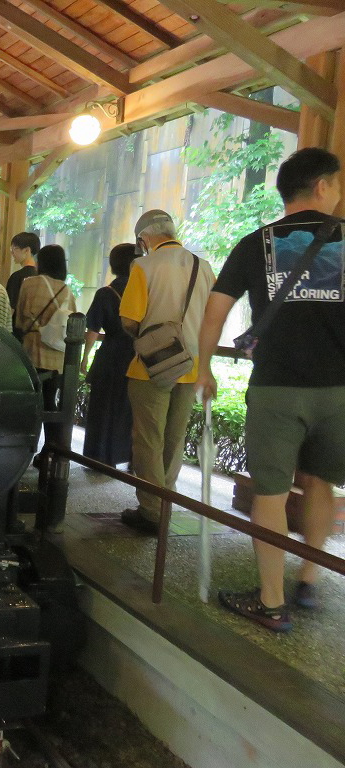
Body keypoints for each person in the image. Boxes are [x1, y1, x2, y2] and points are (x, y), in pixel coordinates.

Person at [198, 148, 343, 633]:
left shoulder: (254, 243)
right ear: (322, 185)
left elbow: (216, 310)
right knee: (323, 481)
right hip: (340, 389)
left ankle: (271, 601)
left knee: (272, 492)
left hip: (277, 387)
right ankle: (308, 579)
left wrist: (204, 368)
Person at [118, 210, 215, 535]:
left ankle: (150, 513)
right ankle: (164, 508)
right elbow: (212, 319)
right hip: (191, 368)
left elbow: (130, 320)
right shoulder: (204, 267)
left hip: (151, 369)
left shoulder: (144, 266)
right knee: (173, 444)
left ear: (144, 239)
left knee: (148, 440)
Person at [15, 244, 77, 455]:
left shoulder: (30, 283)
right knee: (51, 403)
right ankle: (51, 450)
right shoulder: (67, 290)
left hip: (33, 350)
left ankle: (26, 447)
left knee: (31, 401)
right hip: (57, 356)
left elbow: (21, 319)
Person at [81, 244, 138, 467]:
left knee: (103, 407)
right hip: (137, 355)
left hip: (111, 355)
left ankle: (101, 458)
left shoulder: (105, 293)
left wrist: (85, 356)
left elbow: (93, 329)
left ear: (113, 265)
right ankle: (131, 458)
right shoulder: (145, 293)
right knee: (131, 407)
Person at [6, 231, 40, 332]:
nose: (12, 253)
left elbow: (10, 309)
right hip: (35, 332)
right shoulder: (41, 277)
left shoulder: (17, 277)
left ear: (27, 250)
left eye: (15, 249)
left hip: (18, 333)